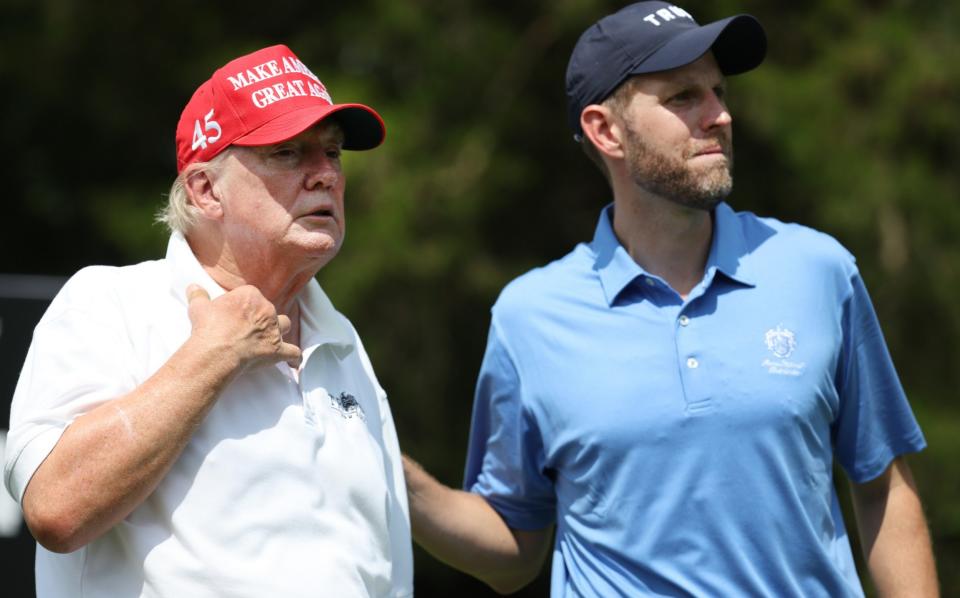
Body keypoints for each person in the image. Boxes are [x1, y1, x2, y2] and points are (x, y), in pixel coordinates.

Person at [402, 2, 939, 596]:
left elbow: (884, 486)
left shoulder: (818, 271)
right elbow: (514, 547)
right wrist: (390, 475)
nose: (720, 116)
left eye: (718, 90)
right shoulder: (529, 317)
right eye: (683, 97)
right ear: (606, 131)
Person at [3, 44, 412, 597]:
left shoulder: (342, 341)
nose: (324, 176)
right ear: (205, 190)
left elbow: (384, 568)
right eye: (289, 153)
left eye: (333, 153)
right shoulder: (111, 301)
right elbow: (54, 508)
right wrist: (214, 353)